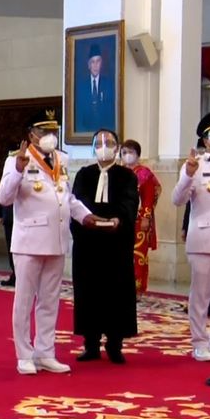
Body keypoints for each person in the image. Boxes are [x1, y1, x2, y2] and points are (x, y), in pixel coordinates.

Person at [0, 109, 102, 375]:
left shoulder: (60, 159)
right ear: (31, 134)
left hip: (56, 240)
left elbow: (67, 198)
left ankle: (45, 352)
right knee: (24, 300)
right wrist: (18, 171)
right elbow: (4, 198)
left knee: (50, 300)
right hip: (29, 240)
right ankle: (24, 354)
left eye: (53, 132)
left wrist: (85, 216)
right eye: (44, 132)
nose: (50, 137)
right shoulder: (16, 160)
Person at [71, 129, 139, 364]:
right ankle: (90, 344)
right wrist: (92, 219)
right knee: (89, 291)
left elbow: (129, 202)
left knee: (116, 292)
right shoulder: (84, 174)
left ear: (117, 147)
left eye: (108, 142)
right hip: (89, 242)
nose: (103, 146)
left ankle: (115, 344)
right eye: (98, 143)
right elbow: (77, 201)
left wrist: (118, 219)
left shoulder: (127, 176)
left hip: (115, 244)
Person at [171, 112, 210, 362]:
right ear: (206, 141)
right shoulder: (197, 166)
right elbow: (177, 200)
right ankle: (199, 341)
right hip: (204, 239)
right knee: (201, 294)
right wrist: (187, 174)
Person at [121, 139, 162, 293]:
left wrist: (146, 217)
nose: (127, 156)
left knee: (138, 255)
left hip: (139, 220)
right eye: (124, 152)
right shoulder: (119, 173)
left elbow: (149, 198)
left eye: (130, 152)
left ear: (138, 154)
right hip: (122, 220)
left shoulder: (145, 174)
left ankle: (137, 288)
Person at [76, 44, 115, 132]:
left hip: (104, 130)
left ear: (101, 64)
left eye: (98, 61)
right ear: (89, 65)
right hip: (85, 130)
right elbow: (79, 114)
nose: (95, 65)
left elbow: (111, 112)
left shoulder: (108, 84)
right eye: (92, 62)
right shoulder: (82, 87)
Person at [0, 202, 15, 286]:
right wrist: (0, 213)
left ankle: (19, 276)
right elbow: (3, 195)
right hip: (9, 217)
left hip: (23, 218)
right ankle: (15, 275)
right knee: (11, 248)